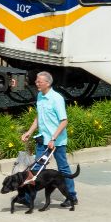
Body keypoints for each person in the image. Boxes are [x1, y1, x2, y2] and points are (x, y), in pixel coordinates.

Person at [19, 71, 76, 208]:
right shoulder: (40, 95)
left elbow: (64, 121)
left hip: (56, 142)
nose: (36, 83)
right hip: (43, 140)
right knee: (36, 168)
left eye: (39, 81)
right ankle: (26, 197)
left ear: (48, 83)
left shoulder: (56, 98)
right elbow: (39, 117)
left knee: (63, 168)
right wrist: (29, 131)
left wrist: (53, 139)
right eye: (37, 81)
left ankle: (71, 197)